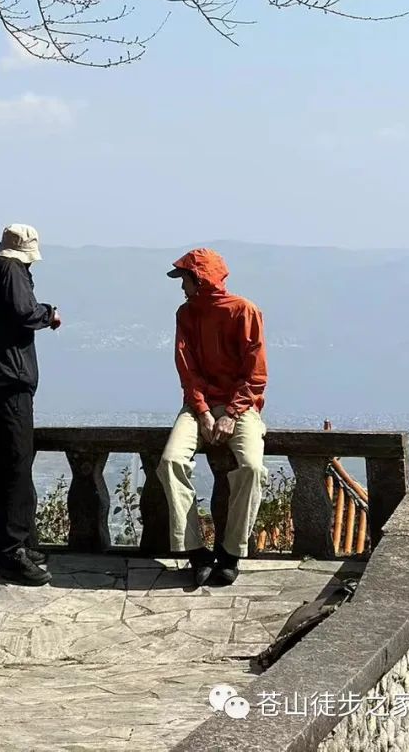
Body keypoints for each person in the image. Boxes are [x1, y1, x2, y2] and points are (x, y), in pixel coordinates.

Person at [157, 248, 268, 590]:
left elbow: (256, 373)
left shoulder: (244, 311)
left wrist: (232, 413)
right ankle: (196, 550)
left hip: (241, 405)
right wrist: (203, 411)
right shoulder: (185, 314)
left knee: (251, 468)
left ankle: (231, 552)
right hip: (198, 405)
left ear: (200, 280)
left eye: (185, 279)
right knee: (170, 461)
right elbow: (187, 369)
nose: (182, 287)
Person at [0, 223, 61, 586]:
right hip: (9, 380)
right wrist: (49, 313)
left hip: (1, 378)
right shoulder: (10, 272)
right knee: (15, 465)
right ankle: (12, 552)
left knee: (15, 462)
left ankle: (20, 540)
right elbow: (25, 312)